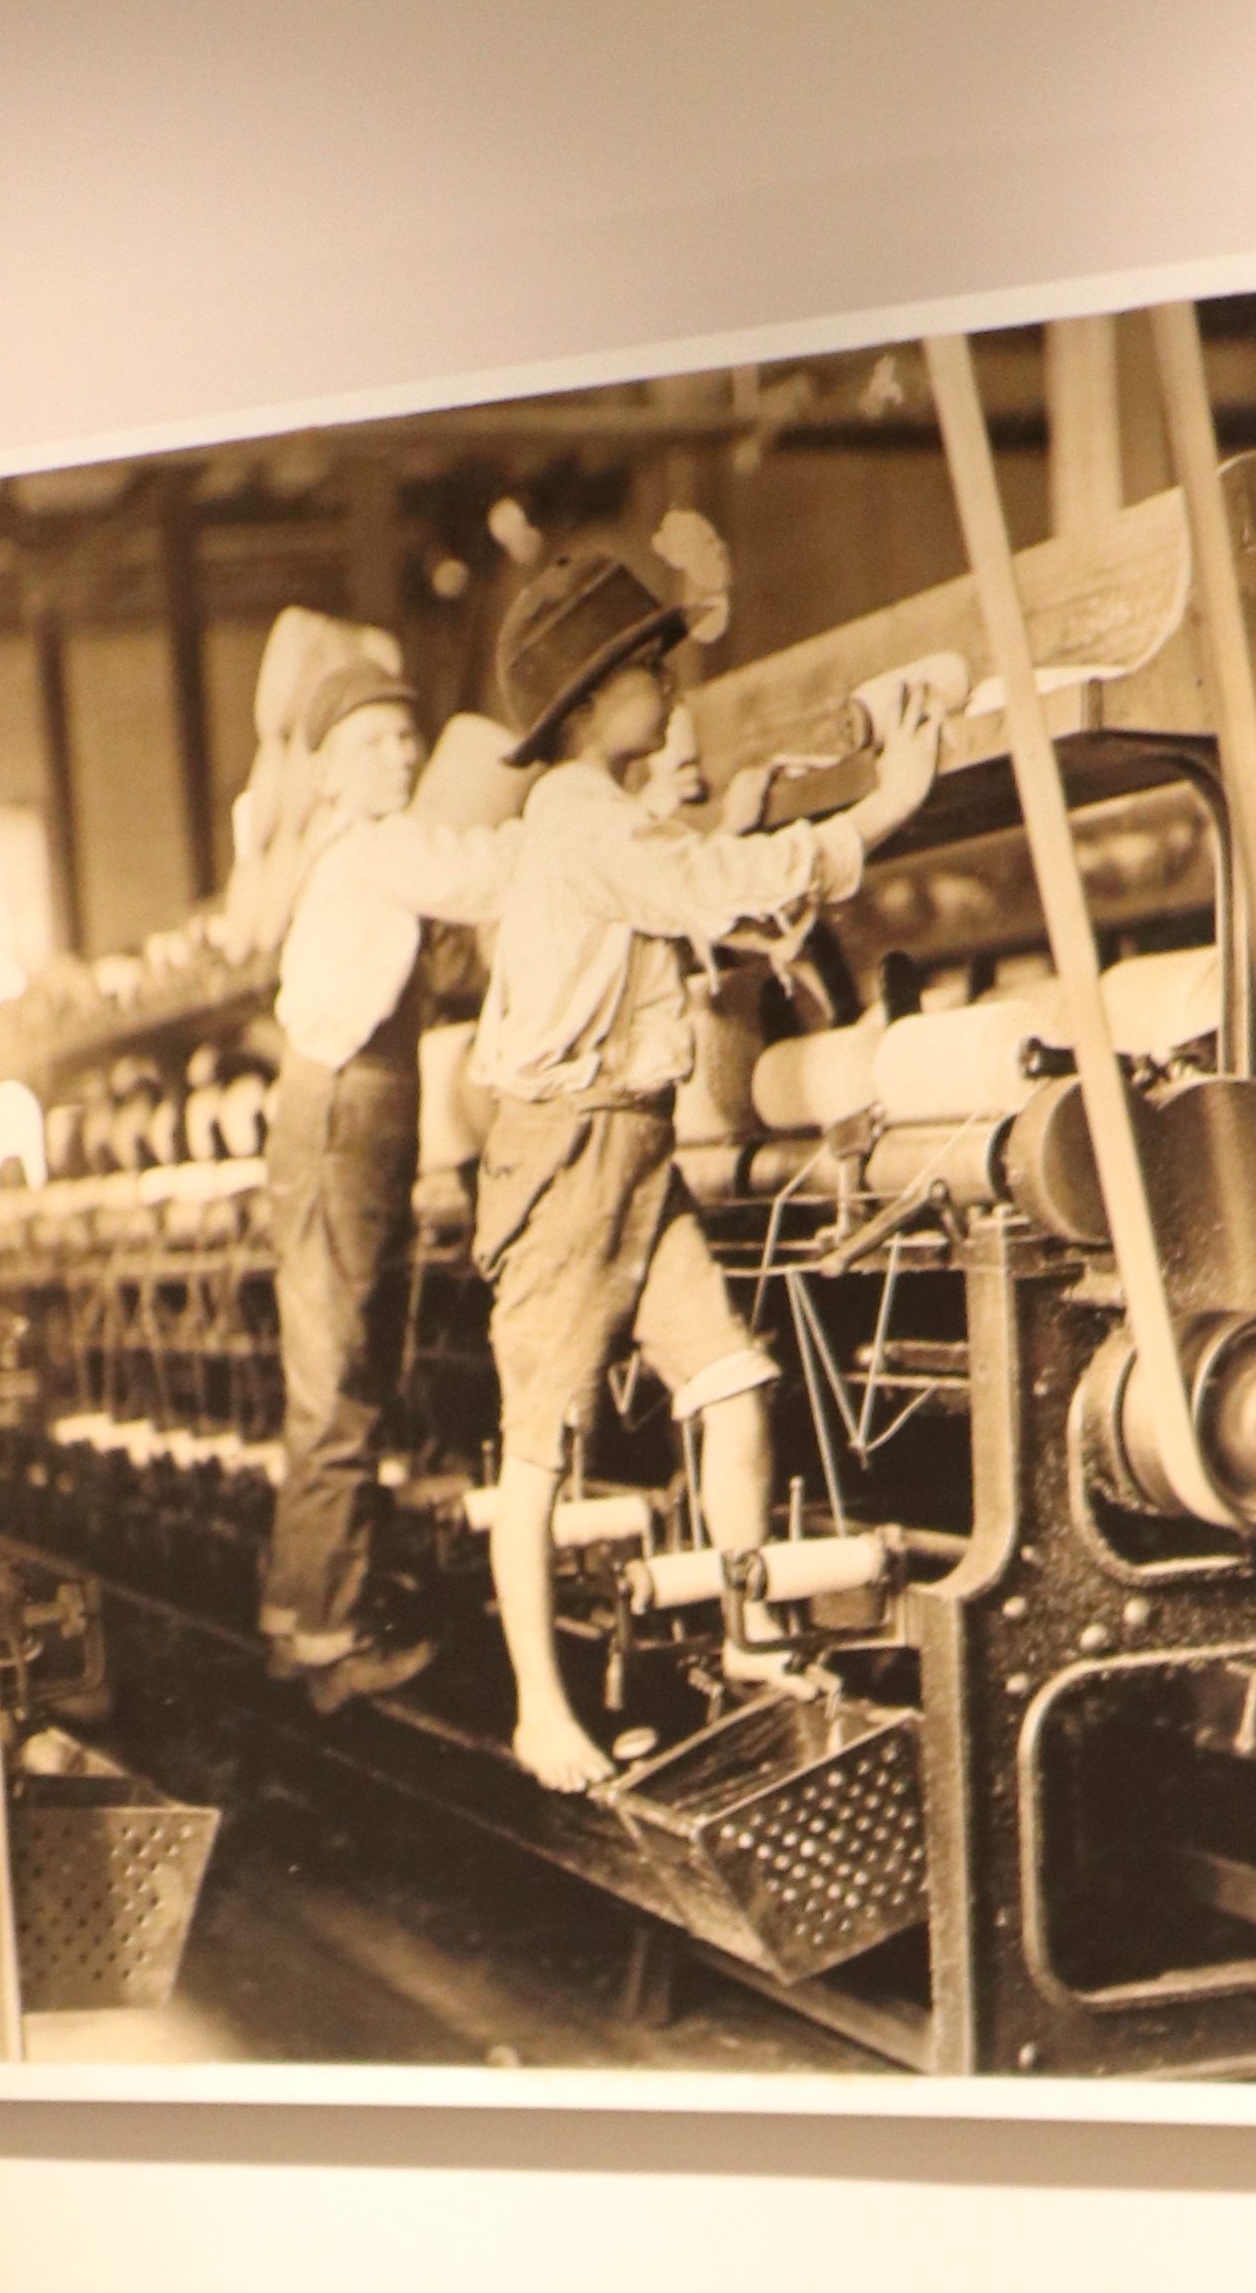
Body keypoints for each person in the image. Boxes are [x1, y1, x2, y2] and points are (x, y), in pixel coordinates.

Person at [467, 549, 955, 1791]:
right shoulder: (580, 821)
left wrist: (748, 820)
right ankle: (539, 1710)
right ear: (587, 708)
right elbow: (715, 885)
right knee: (537, 1450)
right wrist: (885, 803)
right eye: (647, 674)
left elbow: (701, 894)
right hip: (568, 1156)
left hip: (631, 1147)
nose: (670, 693)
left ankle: (747, 1636)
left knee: (733, 1385)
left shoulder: (601, 823)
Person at [257, 656, 522, 1703]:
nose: (401, 751)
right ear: (326, 769)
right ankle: (329, 1644)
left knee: (332, 1374)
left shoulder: (355, 854)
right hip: (344, 1112)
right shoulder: (376, 847)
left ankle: (296, 1611)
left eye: (406, 734)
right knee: (340, 1383)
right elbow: (491, 871)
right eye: (372, 739)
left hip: (347, 1107)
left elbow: (444, 963)